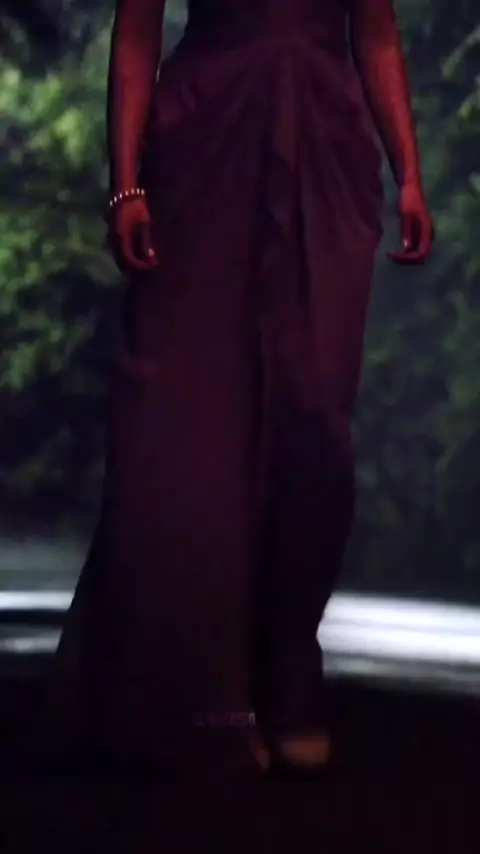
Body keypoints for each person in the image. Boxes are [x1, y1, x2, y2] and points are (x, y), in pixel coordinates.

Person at [44, 0, 434, 780]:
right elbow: (137, 28)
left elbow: (376, 32)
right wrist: (126, 186)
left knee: (313, 413)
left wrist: (410, 177)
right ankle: (200, 692)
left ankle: (285, 671)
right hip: (206, 136)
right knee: (187, 410)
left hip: (325, 143)